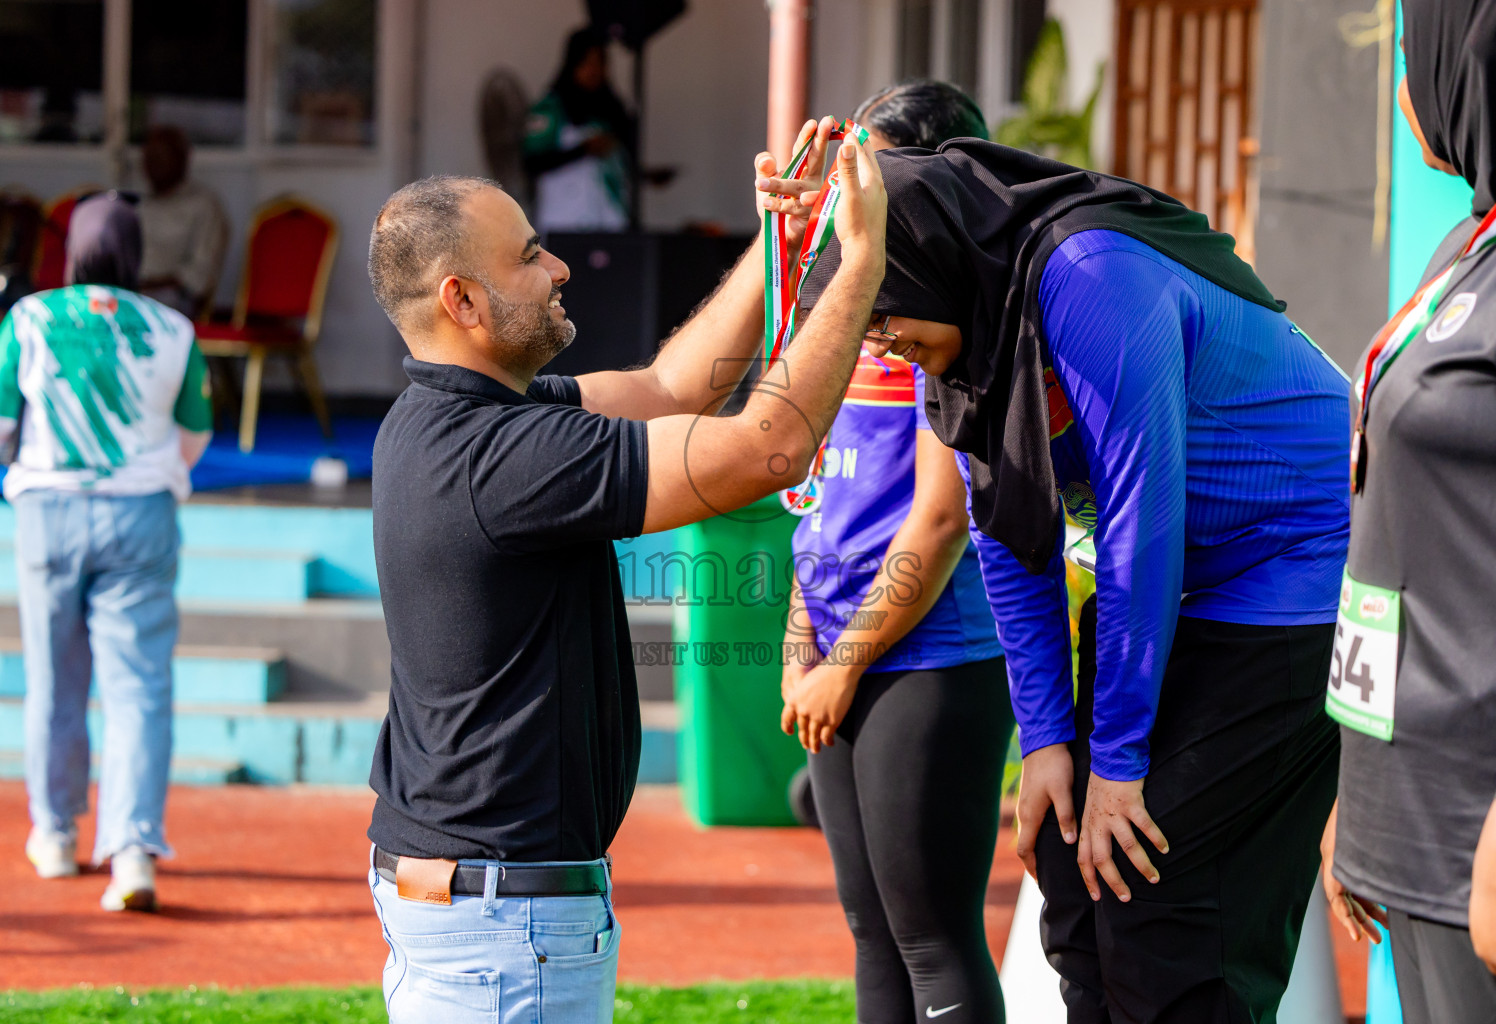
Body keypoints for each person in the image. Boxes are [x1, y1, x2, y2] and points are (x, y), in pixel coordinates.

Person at [771, 137, 1353, 1020]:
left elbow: (1139, 524)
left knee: (1163, 899)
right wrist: (1046, 744)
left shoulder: (1089, 276)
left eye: (883, 317)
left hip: (1283, 582)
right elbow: (1009, 543)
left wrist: (1117, 761)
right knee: (1073, 881)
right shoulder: (970, 337)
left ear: (927, 257)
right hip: (1177, 590)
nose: (883, 344)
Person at [363, 124, 886, 1024]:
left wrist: (781, 250)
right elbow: (773, 448)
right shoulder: (507, 456)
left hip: (477, 902)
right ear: (465, 300)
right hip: (504, 918)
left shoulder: (444, 417)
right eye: (529, 257)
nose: (559, 266)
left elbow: (674, 386)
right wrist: (864, 261)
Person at [773, 81, 1013, 1024]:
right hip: (835, 650)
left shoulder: (958, 318)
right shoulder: (841, 302)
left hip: (930, 656)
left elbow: (939, 523)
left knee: (932, 937)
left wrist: (842, 661)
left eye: (862, 169)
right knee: (871, 933)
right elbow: (818, 501)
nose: (844, 190)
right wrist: (803, 641)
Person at [1321, 0, 1496, 1016]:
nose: (1404, 83)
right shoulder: (1479, 240)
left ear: (1479, 58)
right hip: (1417, 822)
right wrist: (1359, 798)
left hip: (1491, 839)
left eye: (1415, 50)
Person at [0, 192, 213, 912]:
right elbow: (194, 437)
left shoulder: (29, 319)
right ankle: (131, 854)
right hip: (142, 517)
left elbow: (1, 421)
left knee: (54, 680)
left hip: (47, 514)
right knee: (139, 689)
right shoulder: (175, 329)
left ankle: (55, 834)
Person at [523, 27, 636, 232]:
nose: (594, 70)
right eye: (587, 62)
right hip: (564, 222)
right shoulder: (550, 109)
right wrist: (583, 150)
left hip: (609, 223)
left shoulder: (612, 111)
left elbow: (617, 168)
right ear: (572, 64)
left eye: (600, 63)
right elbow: (533, 162)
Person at [137, 125, 229, 319]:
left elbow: (200, 276)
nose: (151, 163)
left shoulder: (203, 204)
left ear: (183, 159)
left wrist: (151, 284)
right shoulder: (138, 205)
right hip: (130, 290)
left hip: (172, 297)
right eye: (148, 156)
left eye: (160, 156)